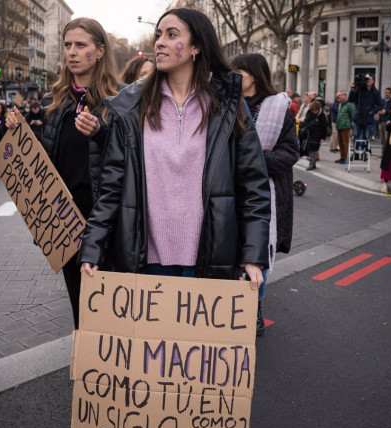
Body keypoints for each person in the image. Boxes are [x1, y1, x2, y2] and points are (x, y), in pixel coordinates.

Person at [78, 4, 270, 374]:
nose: (160, 44)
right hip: (147, 263)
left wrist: (253, 255)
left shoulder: (230, 106)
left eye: (171, 35)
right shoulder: (131, 106)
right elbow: (111, 187)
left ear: (196, 47)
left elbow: (253, 187)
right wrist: (93, 248)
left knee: (198, 373)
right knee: (152, 368)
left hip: (210, 262)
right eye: (158, 36)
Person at [6, 17, 119, 329]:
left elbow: (131, 156)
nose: (71, 52)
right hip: (64, 221)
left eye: (80, 45)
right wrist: (22, 134)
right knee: (81, 306)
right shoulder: (56, 101)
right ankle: (89, 368)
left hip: (104, 222)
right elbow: (49, 155)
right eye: (67, 45)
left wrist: (100, 132)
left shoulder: (121, 100)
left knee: (109, 307)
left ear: (99, 51)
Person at [231, 52, 299, 335]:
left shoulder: (278, 107)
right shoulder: (225, 104)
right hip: (228, 192)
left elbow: (290, 152)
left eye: (240, 71)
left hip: (265, 193)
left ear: (255, 75)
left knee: (257, 253)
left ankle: (254, 308)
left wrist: (253, 161)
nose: (234, 76)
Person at [348, 74, 381, 140]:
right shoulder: (359, 90)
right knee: (356, 136)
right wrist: (352, 90)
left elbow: (380, 105)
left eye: (369, 79)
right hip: (358, 116)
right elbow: (351, 100)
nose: (367, 81)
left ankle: (364, 149)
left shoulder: (375, 92)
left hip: (368, 117)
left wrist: (373, 111)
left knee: (366, 137)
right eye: (366, 79)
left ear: (373, 81)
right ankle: (357, 149)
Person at [301, 100, 328, 171]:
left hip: (318, 135)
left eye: (316, 110)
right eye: (313, 110)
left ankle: (312, 164)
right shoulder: (309, 113)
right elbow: (306, 122)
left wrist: (323, 137)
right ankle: (313, 164)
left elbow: (324, 127)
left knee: (313, 149)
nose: (314, 112)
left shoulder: (321, 116)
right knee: (310, 149)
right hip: (310, 134)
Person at [335, 91, 355, 165]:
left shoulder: (349, 104)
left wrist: (350, 124)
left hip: (346, 126)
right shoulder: (340, 104)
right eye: (337, 96)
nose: (338, 97)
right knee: (340, 143)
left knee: (345, 143)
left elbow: (352, 115)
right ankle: (342, 157)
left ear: (345, 96)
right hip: (339, 126)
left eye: (339, 96)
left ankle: (345, 158)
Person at [378, 87, 391, 152]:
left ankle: (387, 153)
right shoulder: (381, 101)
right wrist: (378, 111)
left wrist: (386, 111)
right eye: (386, 92)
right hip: (381, 121)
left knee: (387, 138)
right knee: (382, 138)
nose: (387, 94)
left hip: (387, 121)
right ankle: (383, 152)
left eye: (388, 93)